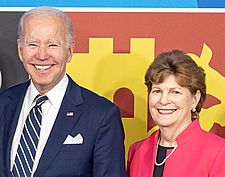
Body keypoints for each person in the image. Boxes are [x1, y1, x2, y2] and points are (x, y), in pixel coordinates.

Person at [0, 6, 125, 177]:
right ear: (21, 51)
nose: (42, 55)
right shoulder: (3, 104)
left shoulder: (101, 116)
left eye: (52, 44)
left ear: (69, 51)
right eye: (32, 44)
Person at [126, 50, 225, 177]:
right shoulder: (137, 151)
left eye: (175, 92)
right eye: (157, 91)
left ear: (195, 99)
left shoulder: (218, 152)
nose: (163, 100)